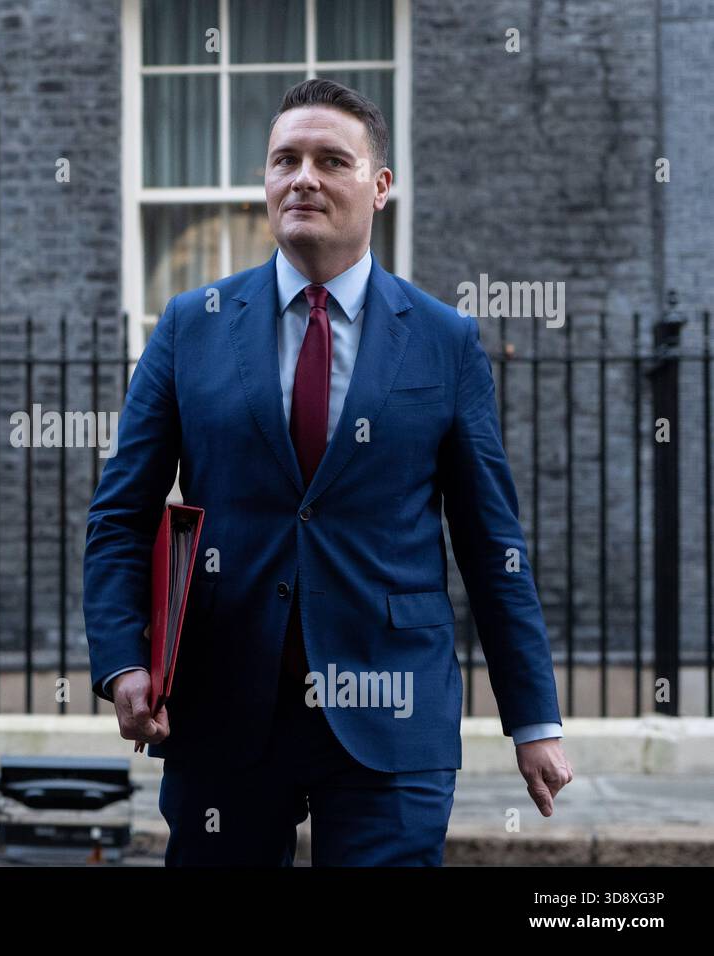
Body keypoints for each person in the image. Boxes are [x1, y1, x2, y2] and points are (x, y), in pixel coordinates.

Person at [84, 78, 571, 866]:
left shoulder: (444, 340)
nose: (302, 177)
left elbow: (491, 543)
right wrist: (121, 661)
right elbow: (121, 514)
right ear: (266, 181)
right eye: (285, 159)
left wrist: (534, 720)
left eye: (330, 160)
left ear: (380, 187)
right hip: (225, 704)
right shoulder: (190, 326)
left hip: (392, 709)